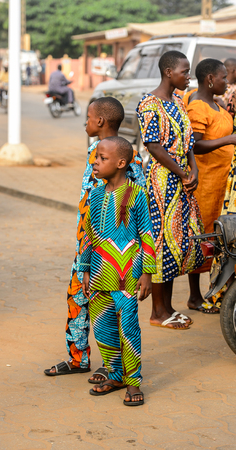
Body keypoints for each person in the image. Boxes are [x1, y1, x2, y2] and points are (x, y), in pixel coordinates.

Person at [44, 97, 146, 382]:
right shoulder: (100, 150)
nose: (85, 123)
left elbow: (136, 202)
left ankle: (112, 367)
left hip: (114, 251)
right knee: (77, 297)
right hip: (88, 244)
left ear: (99, 121)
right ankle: (78, 357)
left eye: (88, 118)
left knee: (110, 308)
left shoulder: (123, 154)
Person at [81, 136, 156, 406]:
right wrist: (86, 267)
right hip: (100, 273)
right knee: (102, 329)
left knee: (128, 329)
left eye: (102, 158)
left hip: (127, 276)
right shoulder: (96, 193)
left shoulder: (137, 195)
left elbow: (147, 235)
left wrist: (147, 273)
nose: (96, 162)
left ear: (121, 162)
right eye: (96, 157)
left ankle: (134, 382)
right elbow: (89, 235)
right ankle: (115, 374)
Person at [136, 50, 204, 330]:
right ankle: (157, 313)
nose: (188, 76)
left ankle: (168, 307)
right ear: (168, 72)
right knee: (162, 242)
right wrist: (182, 172)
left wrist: (194, 169)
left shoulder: (178, 101)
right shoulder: (148, 104)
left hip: (182, 180)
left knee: (179, 244)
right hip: (162, 182)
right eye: (184, 71)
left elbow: (187, 144)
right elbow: (153, 147)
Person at [183, 59, 236, 313]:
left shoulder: (215, 103)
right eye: (223, 78)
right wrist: (230, 139)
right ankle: (195, 297)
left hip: (221, 184)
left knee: (219, 239)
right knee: (203, 240)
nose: (227, 82)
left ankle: (213, 293)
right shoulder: (198, 107)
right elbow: (195, 145)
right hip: (206, 183)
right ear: (210, 80)